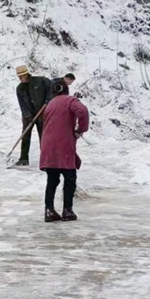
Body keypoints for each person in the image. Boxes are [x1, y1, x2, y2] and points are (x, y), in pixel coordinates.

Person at [39, 80, 90, 222]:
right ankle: (67, 210)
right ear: (66, 90)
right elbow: (82, 111)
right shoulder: (70, 101)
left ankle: (49, 210)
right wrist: (81, 129)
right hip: (64, 145)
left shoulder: (50, 104)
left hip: (48, 145)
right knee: (70, 178)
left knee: (52, 179)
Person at [15, 65, 54, 166]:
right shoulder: (19, 89)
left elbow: (52, 88)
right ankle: (24, 158)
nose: (21, 78)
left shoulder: (40, 81)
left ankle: (46, 159)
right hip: (28, 115)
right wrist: (27, 115)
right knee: (25, 136)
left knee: (43, 136)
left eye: (23, 75)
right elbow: (22, 105)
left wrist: (48, 100)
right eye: (19, 76)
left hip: (42, 113)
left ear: (27, 74)